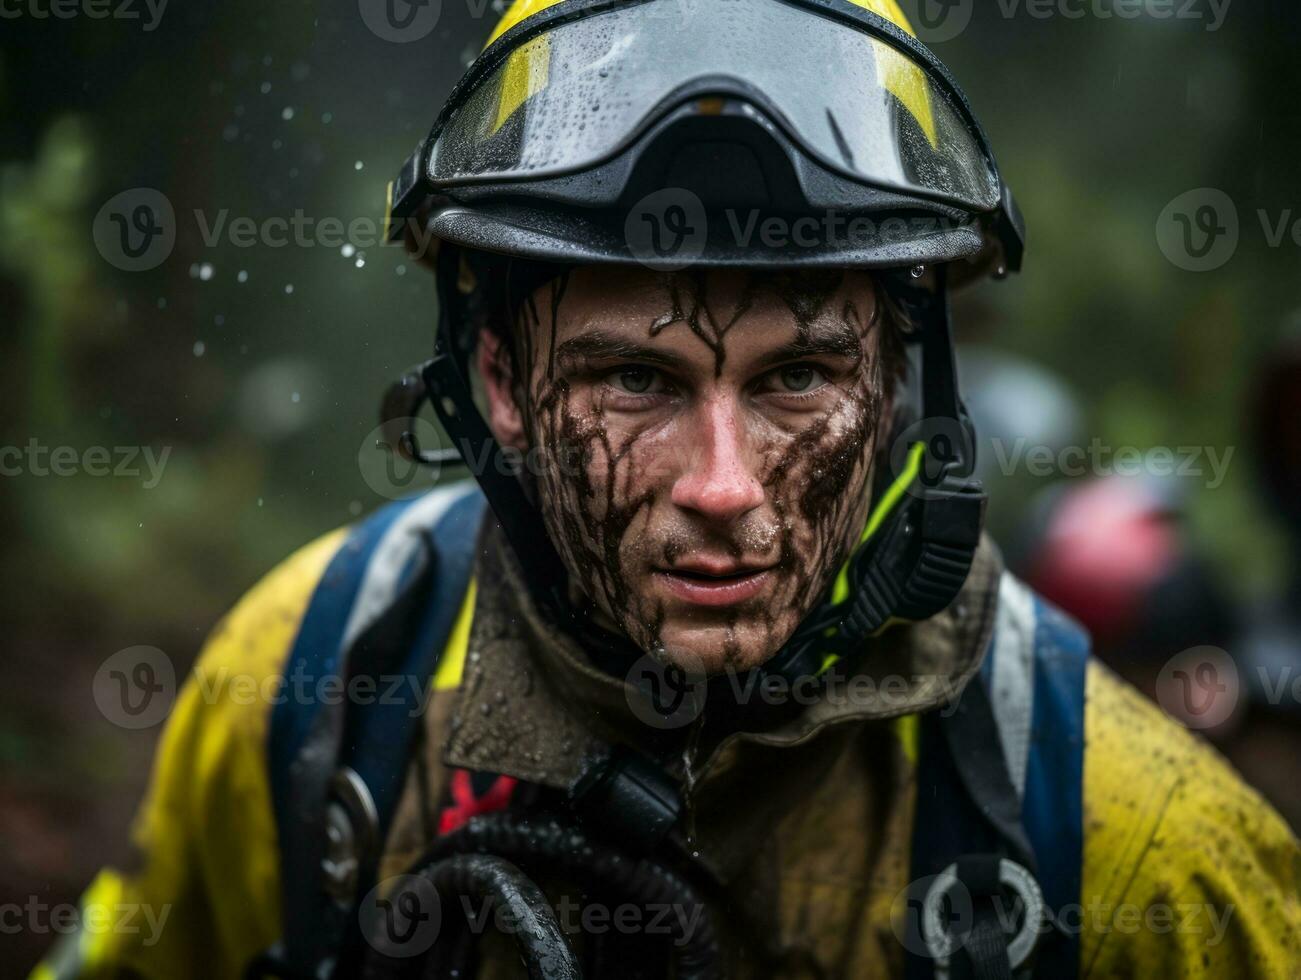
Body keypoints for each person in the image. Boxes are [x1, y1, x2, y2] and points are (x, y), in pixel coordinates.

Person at [37, 1, 1299, 977]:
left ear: (903, 379)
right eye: (635, 380)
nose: (724, 484)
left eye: (798, 374)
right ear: (499, 381)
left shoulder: (1132, 845)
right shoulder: (312, 689)